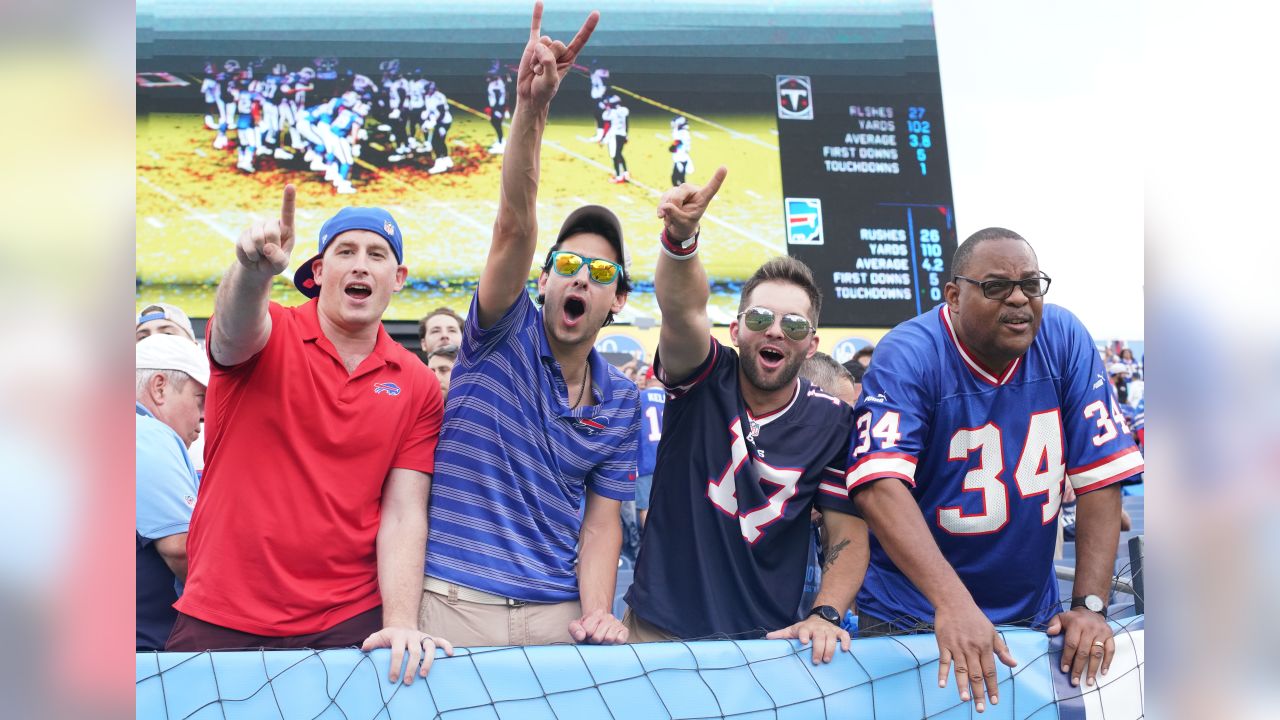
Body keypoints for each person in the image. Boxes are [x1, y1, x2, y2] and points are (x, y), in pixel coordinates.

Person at [845, 227, 1143, 711]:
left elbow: (1101, 478)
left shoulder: (1063, 338)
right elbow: (879, 487)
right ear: (955, 296)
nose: (1019, 299)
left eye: (1030, 283)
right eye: (996, 286)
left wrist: (1090, 606)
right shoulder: (911, 352)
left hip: (1031, 614)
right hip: (917, 615)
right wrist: (952, 603)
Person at [421, 4, 637, 648]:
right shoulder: (499, 332)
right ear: (541, 281)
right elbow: (514, 224)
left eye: (599, 273)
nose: (580, 279)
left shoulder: (622, 402)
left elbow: (602, 526)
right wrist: (533, 107)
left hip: (555, 613)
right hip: (455, 603)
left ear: (617, 301)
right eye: (567, 265)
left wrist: (597, 612)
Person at [167, 195, 451, 685]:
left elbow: (404, 511)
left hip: (346, 625)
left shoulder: (417, 383)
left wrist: (400, 621)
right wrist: (252, 272)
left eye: (376, 254)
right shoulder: (270, 329)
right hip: (224, 614)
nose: (360, 264)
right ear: (318, 271)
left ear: (397, 278)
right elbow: (232, 333)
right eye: (345, 252)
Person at [622, 172, 866, 665]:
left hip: (762, 654)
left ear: (811, 344)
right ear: (736, 329)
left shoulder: (834, 423)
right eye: (759, 319)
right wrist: (681, 240)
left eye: (793, 324)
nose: (775, 330)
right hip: (656, 637)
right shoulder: (704, 376)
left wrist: (826, 613)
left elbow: (846, 533)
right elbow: (682, 309)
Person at [136, 334, 209, 651]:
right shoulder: (146, 433)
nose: (204, 417)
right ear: (160, 387)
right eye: (199, 400)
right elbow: (182, 549)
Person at [635, 367, 664, 528]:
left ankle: (649, 548)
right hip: (669, 462)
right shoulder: (673, 398)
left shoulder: (639, 397)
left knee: (646, 507)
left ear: (647, 380)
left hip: (645, 462)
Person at [601, 94, 629, 183]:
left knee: (614, 156)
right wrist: (626, 135)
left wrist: (607, 108)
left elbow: (604, 117)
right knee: (619, 154)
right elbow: (627, 123)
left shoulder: (612, 112)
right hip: (622, 134)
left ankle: (618, 176)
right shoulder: (624, 110)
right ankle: (625, 173)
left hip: (614, 136)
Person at [669, 116, 693, 187]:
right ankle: (681, 193)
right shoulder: (684, 132)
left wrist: (672, 147)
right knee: (677, 178)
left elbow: (677, 142)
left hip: (681, 158)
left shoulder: (683, 133)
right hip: (681, 157)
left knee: (678, 178)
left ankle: (683, 194)